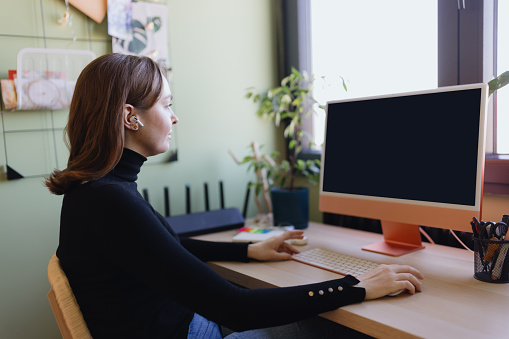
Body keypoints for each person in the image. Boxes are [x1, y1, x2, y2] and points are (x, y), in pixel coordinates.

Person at [46, 53, 423, 339]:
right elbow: (235, 308)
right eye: (167, 104)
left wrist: (246, 251)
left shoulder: (96, 190)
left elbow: (165, 250)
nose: (174, 118)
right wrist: (356, 286)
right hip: (191, 331)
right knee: (332, 328)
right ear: (131, 117)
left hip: (183, 324)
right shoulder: (111, 200)